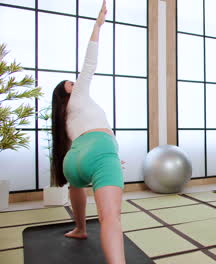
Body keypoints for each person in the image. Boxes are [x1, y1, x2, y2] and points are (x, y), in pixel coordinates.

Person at [50, 1, 125, 263]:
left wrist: (110, 156)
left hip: (74, 161)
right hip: (101, 150)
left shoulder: (62, 117)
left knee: (76, 185)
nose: (76, 81)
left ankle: (80, 228)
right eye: (72, 82)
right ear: (68, 90)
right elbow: (89, 62)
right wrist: (98, 25)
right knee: (110, 218)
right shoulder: (79, 94)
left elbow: (79, 145)